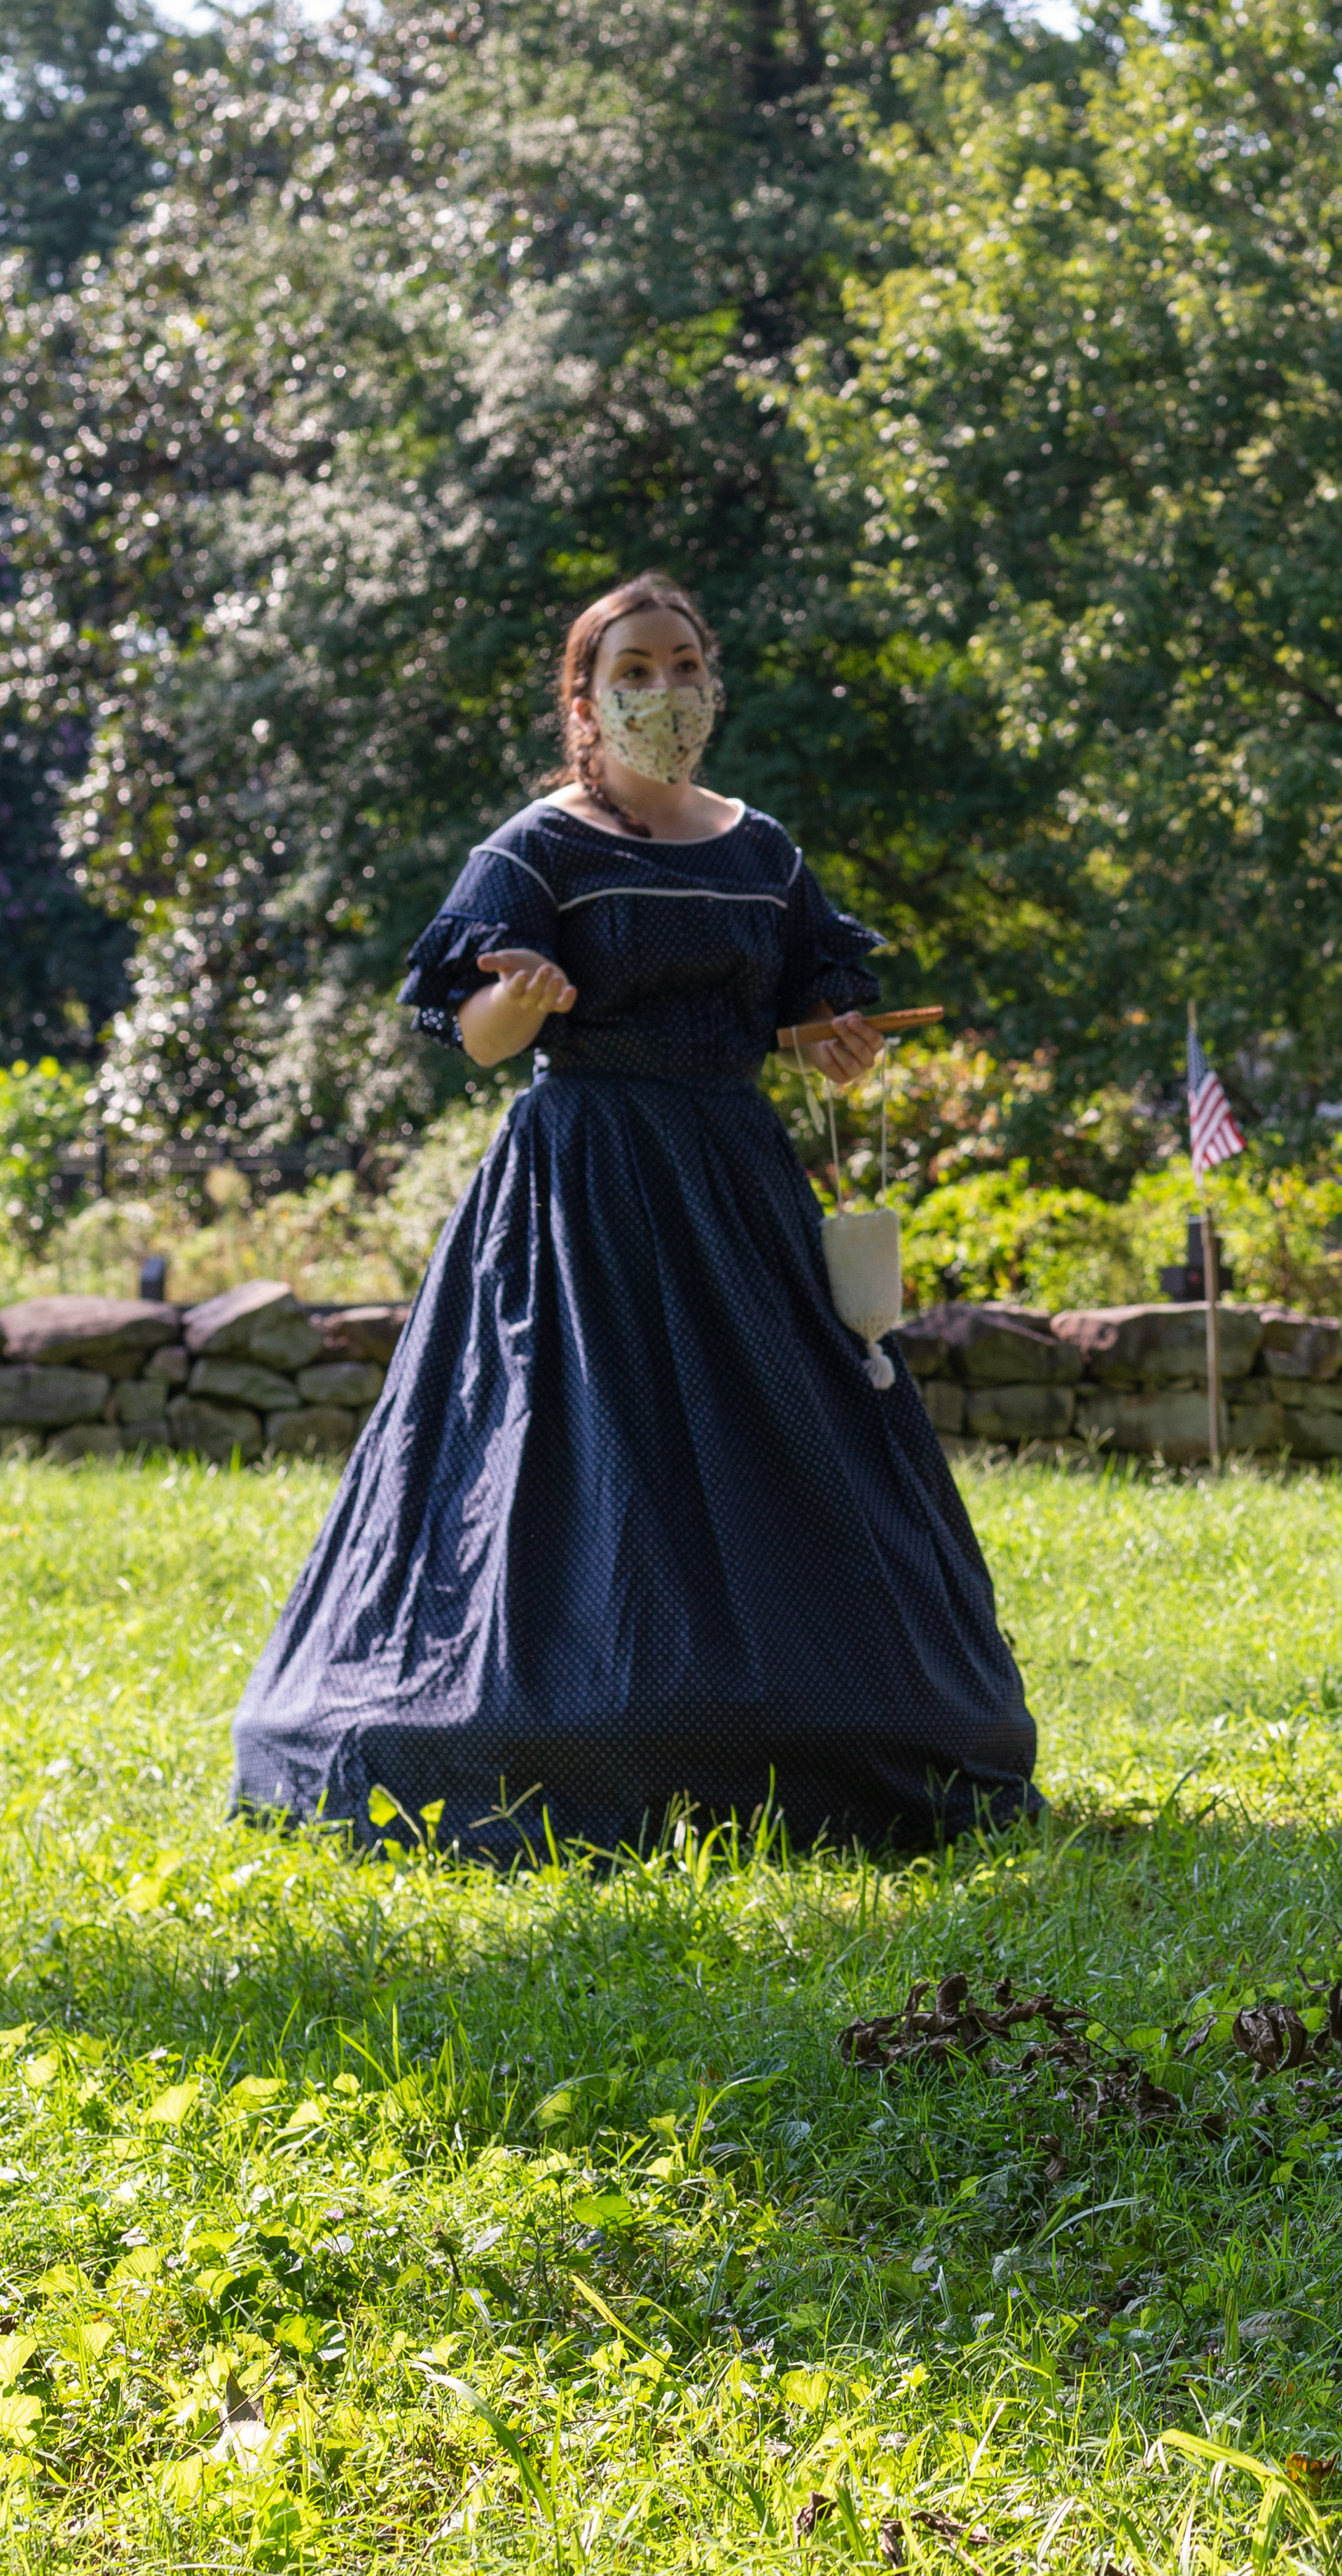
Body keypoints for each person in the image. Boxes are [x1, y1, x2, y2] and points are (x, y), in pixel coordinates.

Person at [230, 574, 1042, 1857]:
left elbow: (812, 1016)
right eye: (633, 671)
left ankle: (824, 1712)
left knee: (783, 1438)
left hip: (737, 1185)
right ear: (586, 699)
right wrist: (527, 997)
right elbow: (478, 1038)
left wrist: (838, 1044)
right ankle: (563, 1711)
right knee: (585, 1441)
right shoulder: (537, 847)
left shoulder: (761, 852)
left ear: (712, 681)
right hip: (585, 1189)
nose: (661, 690)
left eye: (681, 664)